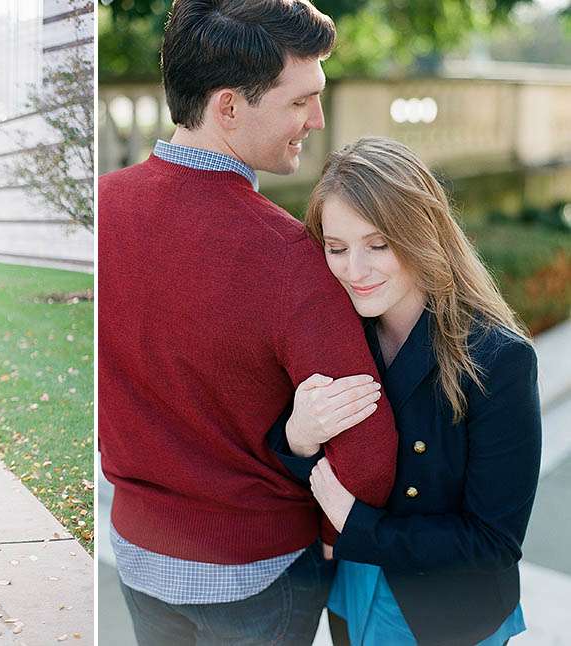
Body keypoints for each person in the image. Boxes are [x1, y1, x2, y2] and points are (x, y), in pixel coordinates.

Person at [98, 1, 400, 643]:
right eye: (301, 102)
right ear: (229, 107)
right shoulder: (290, 257)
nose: (317, 121)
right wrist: (325, 539)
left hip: (137, 554)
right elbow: (369, 459)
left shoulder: (101, 209)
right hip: (262, 573)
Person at [286, 137, 541, 645]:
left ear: (423, 232)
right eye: (337, 249)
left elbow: (494, 542)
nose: (355, 271)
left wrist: (360, 526)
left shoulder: (498, 358)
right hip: (350, 585)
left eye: (378, 245)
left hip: (444, 613)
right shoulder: (339, 333)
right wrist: (298, 437)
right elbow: (307, 465)